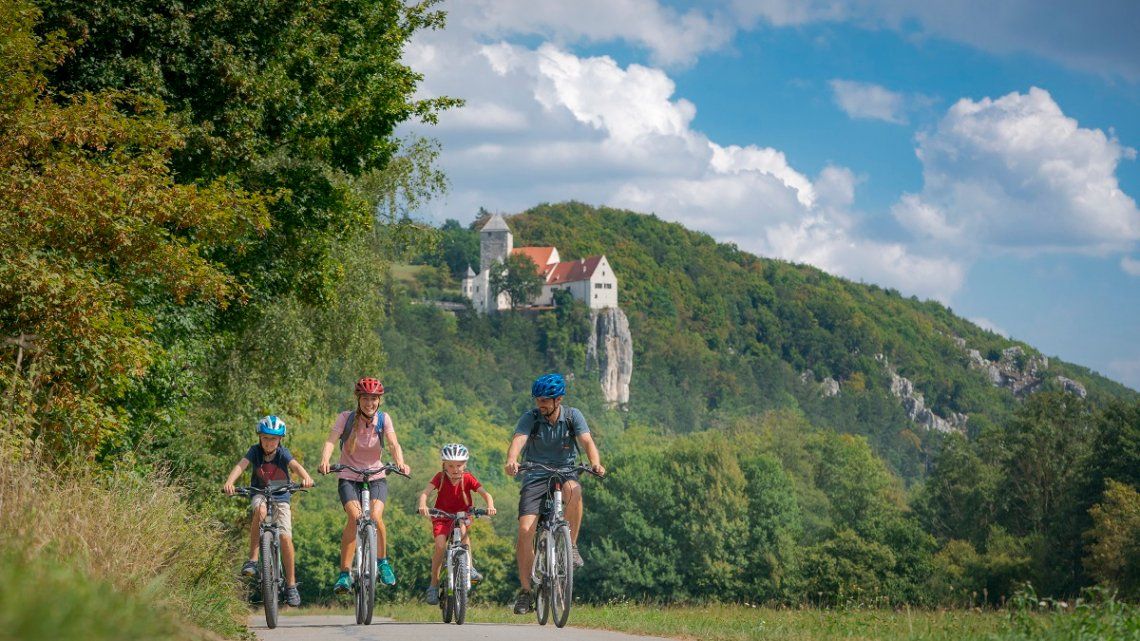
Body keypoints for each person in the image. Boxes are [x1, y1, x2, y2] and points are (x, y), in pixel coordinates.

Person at [504, 373, 605, 615]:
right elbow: (518, 440)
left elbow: (587, 441)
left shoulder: (572, 416)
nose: (540, 403)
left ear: (558, 399)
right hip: (535, 474)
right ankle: (526, 592)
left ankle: (571, 546)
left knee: (575, 489)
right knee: (525, 530)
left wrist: (595, 463)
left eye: (546, 400)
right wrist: (511, 460)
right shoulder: (531, 418)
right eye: (538, 399)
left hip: (566, 471)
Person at [317, 377, 411, 594]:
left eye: (374, 399)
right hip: (349, 476)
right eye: (366, 398)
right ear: (358, 399)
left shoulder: (383, 419)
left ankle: (383, 562)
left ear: (379, 401)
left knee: (376, 518)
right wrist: (324, 460)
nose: (370, 403)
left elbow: (394, 443)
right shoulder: (346, 418)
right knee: (355, 517)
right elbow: (331, 440)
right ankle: (344, 574)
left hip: (376, 476)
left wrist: (400, 462)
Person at [222, 415, 315, 608]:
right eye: (265, 438)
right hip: (259, 492)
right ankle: (253, 560)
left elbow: (295, 466)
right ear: (259, 437)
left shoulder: (283, 453)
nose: (269, 442)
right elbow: (241, 465)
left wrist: (306, 477)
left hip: (281, 495)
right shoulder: (255, 451)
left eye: (273, 438)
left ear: (280, 439)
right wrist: (230, 482)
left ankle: (290, 585)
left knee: (285, 536)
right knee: (260, 512)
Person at [415, 443, 497, 605]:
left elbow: (485, 493)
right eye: (451, 465)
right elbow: (425, 493)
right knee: (439, 545)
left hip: (462, 515)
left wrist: (490, 505)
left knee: (464, 530)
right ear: (444, 465)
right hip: (442, 516)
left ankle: (469, 568)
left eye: (459, 465)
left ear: (464, 465)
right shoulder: (440, 477)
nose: (455, 469)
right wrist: (423, 505)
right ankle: (434, 584)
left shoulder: (468, 478)